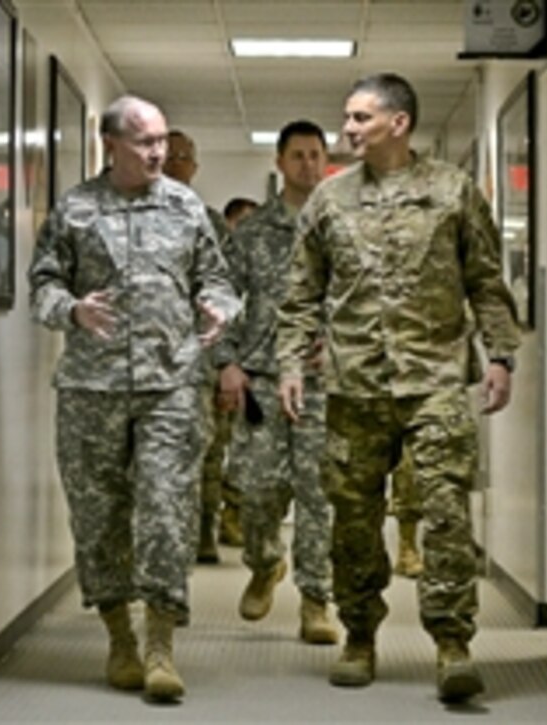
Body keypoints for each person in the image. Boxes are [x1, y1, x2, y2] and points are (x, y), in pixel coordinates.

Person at [275, 73, 520, 703]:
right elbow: (300, 294)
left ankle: (452, 644)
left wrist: (501, 356)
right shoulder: (330, 201)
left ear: (399, 123)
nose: (347, 129)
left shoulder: (452, 191)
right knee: (354, 520)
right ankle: (359, 634)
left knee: (443, 513)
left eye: (359, 118)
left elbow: (486, 280)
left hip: (436, 377)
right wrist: (290, 364)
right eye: (347, 118)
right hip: (355, 384)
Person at [27, 95, 240, 704]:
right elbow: (41, 283)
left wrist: (219, 308)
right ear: (111, 144)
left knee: (167, 510)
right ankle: (118, 636)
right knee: (99, 519)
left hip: (170, 384)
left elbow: (218, 278)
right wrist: (71, 309)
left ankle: (160, 647)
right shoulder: (74, 209)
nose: (159, 152)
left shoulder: (186, 207)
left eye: (163, 140)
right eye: (145, 142)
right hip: (90, 391)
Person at [214, 120, 337, 645]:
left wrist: (339, 340)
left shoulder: (341, 224)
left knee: (319, 495)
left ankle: (316, 601)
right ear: (280, 162)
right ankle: (266, 565)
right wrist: (225, 361)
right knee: (258, 492)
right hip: (262, 379)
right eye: (299, 156)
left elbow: (367, 297)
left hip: (321, 381)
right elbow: (218, 298)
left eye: (316, 155)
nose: (308, 165)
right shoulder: (253, 233)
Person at [162, 128, 232, 565]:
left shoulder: (212, 224)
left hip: (201, 361)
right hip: (148, 365)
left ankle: (204, 529)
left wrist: (228, 363)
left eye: (182, 157)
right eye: (166, 155)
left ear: (194, 167)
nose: (172, 163)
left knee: (207, 453)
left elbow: (230, 294)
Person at [216, 194, 260, 547]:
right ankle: (209, 526)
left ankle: (234, 515)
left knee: (244, 450)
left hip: (254, 367)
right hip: (218, 366)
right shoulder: (217, 263)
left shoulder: (263, 260)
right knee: (214, 448)